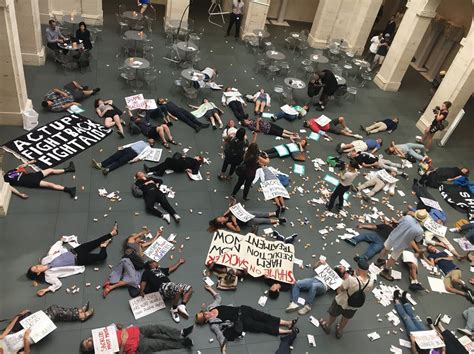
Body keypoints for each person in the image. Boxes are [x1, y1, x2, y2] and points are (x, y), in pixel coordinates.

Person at [195, 285, 298, 354]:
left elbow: (218, 298)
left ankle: (288, 323)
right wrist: (224, 351)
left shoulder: (211, 307)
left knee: (266, 317)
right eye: (204, 316)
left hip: (243, 309)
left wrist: (210, 289)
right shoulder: (214, 324)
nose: (206, 313)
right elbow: (220, 336)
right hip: (243, 321)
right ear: (205, 321)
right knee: (263, 327)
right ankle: (288, 331)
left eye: (203, 312)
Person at [26, 223, 118, 297]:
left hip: (75, 251)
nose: (37, 266)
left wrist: (60, 241)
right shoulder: (48, 276)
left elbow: (52, 251)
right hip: (79, 259)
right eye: (36, 269)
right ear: (38, 273)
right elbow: (58, 284)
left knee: (95, 242)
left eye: (35, 266)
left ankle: (112, 233)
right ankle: (103, 246)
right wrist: (46, 290)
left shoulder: (44, 261)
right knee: (101, 257)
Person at [319, 257, 374, 339]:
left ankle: (327, 326)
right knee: (346, 318)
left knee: (333, 314)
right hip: (354, 305)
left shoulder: (351, 280)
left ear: (358, 269)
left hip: (342, 301)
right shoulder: (371, 282)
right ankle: (339, 331)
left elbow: (341, 288)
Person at [103, 228, 162, 298]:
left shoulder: (140, 246)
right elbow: (136, 236)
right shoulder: (131, 241)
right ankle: (110, 286)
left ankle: (110, 284)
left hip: (133, 266)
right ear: (136, 237)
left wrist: (157, 235)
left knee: (134, 281)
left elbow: (152, 242)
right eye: (139, 238)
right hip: (127, 261)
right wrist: (144, 232)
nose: (140, 239)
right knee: (133, 279)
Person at [375, 210, 426, 282]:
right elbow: (417, 241)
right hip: (402, 243)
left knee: (386, 248)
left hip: (393, 236)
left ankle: (379, 261)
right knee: (393, 257)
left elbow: (397, 223)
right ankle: (385, 271)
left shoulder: (407, 217)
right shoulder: (420, 230)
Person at [140, 258, 193, 323]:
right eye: (154, 261)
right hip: (161, 288)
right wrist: (141, 291)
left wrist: (179, 262)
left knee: (189, 288)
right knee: (176, 288)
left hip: (170, 287)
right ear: (150, 264)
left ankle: (182, 305)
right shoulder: (147, 272)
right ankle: (174, 309)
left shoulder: (160, 270)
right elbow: (143, 282)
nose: (156, 262)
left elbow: (170, 269)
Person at [79, 323, 194, 353]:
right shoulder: (102, 353)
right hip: (137, 346)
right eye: (87, 343)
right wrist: (123, 343)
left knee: (158, 327)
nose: (89, 340)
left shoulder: (100, 334)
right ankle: (183, 343)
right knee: (161, 343)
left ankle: (181, 333)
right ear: (90, 349)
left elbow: (118, 326)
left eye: (87, 339)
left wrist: (121, 328)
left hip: (136, 331)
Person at [4, 160, 76, 199]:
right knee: (50, 184)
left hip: (33, 175)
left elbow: (19, 167)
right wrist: (19, 194)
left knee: (50, 170)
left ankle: (69, 169)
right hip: (30, 181)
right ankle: (69, 189)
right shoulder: (5, 180)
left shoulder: (9, 172)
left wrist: (29, 162)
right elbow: (10, 187)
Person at [208, 208, 286, 234]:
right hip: (247, 221)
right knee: (263, 220)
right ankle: (278, 220)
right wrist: (235, 222)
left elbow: (231, 209)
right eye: (220, 219)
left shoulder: (225, 215)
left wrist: (233, 204)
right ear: (222, 222)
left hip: (246, 214)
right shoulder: (228, 224)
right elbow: (237, 230)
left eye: (219, 217)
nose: (221, 217)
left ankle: (275, 213)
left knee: (261, 214)